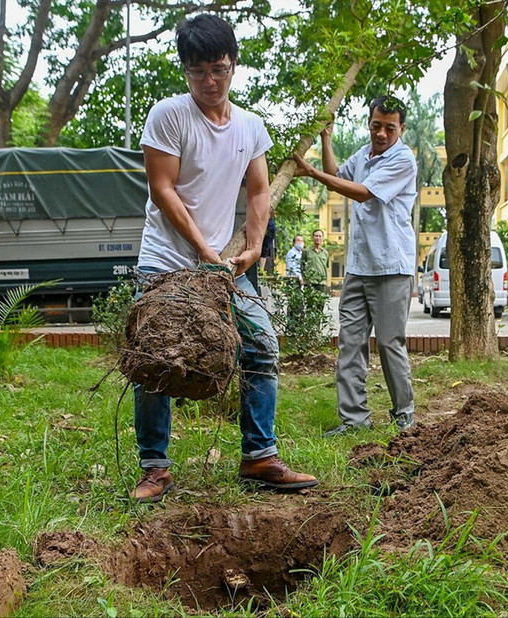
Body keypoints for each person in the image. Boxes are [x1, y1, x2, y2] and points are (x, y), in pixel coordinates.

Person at [131, 14, 318, 502]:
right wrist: (204, 251)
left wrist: (253, 247)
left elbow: (258, 193)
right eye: (197, 72)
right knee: (155, 355)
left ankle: (259, 455)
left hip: (225, 264)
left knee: (261, 345)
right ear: (185, 71)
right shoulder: (168, 116)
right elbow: (163, 190)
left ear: (234, 64)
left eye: (218, 69)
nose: (209, 82)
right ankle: (155, 468)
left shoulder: (251, 127)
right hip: (166, 261)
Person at [293, 96, 417, 436]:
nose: (381, 133)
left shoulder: (403, 159)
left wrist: (311, 173)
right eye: (376, 125)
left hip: (391, 266)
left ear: (401, 129)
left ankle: (404, 414)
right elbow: (338, 173)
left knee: (390, 343)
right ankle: (354, 420)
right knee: (349, 343)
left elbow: (362, 192)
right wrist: (326, 138)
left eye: (390, 128)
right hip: (358, 267)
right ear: (369, 122)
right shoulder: (364, 154)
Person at [300, 229, 329, 294]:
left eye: (320, 236)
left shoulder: (325, 253)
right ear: (313, 237)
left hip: (321, 283)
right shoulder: (306, 251)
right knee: (309, 303)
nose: (318, 238)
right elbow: (302, 266)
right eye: (316, 236)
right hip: (310, 283)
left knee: (321, 303)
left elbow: (326, 268)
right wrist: (304, 279)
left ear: (322, 238)